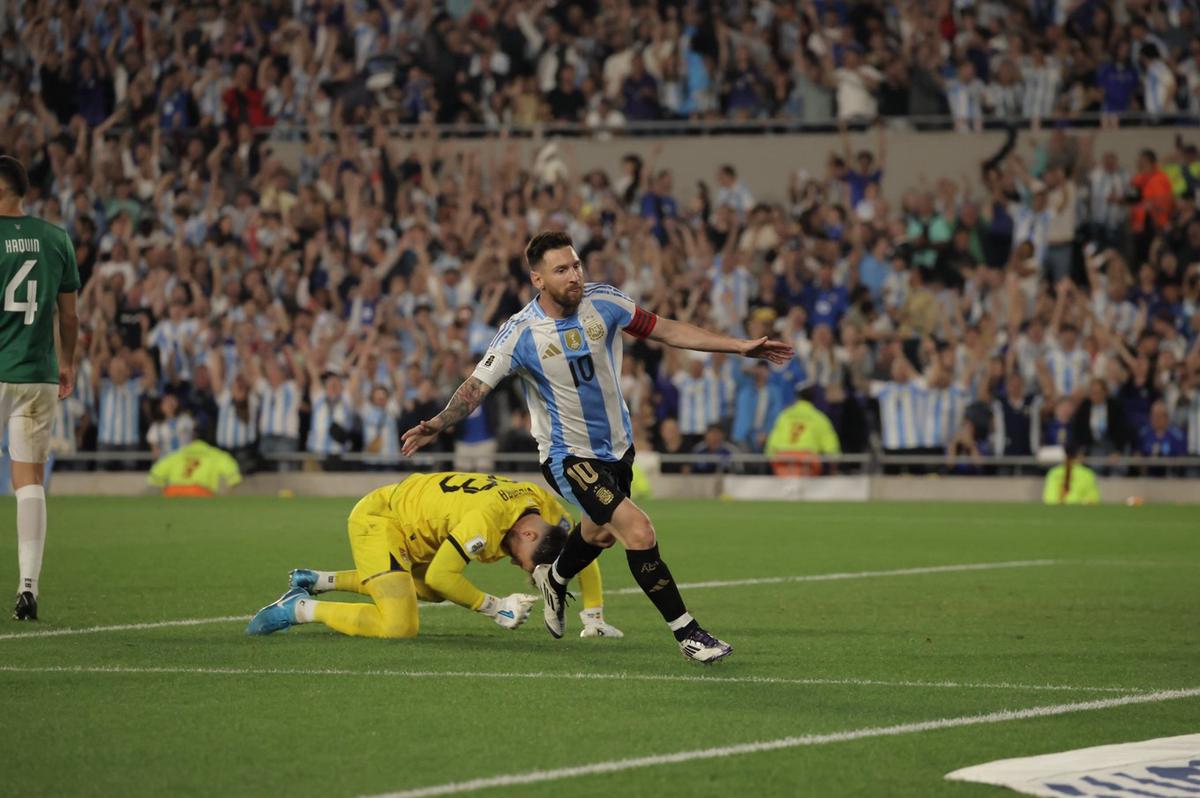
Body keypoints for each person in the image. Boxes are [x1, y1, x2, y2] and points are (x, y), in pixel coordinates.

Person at [401, 231, 792, 663]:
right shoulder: (520, 333)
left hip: (617, 449)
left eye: (576, 266)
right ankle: (689, 634)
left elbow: (666, 330)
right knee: (637, 531)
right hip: (567, 456)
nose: (574, 276)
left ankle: (554, 577)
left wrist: (738, 345)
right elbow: (476, 387)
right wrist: (437, 424)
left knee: (599, 532)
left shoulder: (605, 302)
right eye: (562, 270)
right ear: (537, 279)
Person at [245, 473, 623, 640]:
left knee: (431, 591)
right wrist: (495, 607)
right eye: (525, 562)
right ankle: (298, 608)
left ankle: (321, 580)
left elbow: (582, 549)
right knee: (399, 625)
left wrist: (593, 615)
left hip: (415, 521)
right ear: (528, 533)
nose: (514, 564)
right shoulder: (486, 522)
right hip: (383, 520)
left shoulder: (543, 507)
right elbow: (444, 575)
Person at [0, 156, 80, 621]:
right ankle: (28, 586)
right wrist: (66, 361)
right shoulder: (55, 238)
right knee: (28, 480)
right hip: (37, 376)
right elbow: (68, 315)